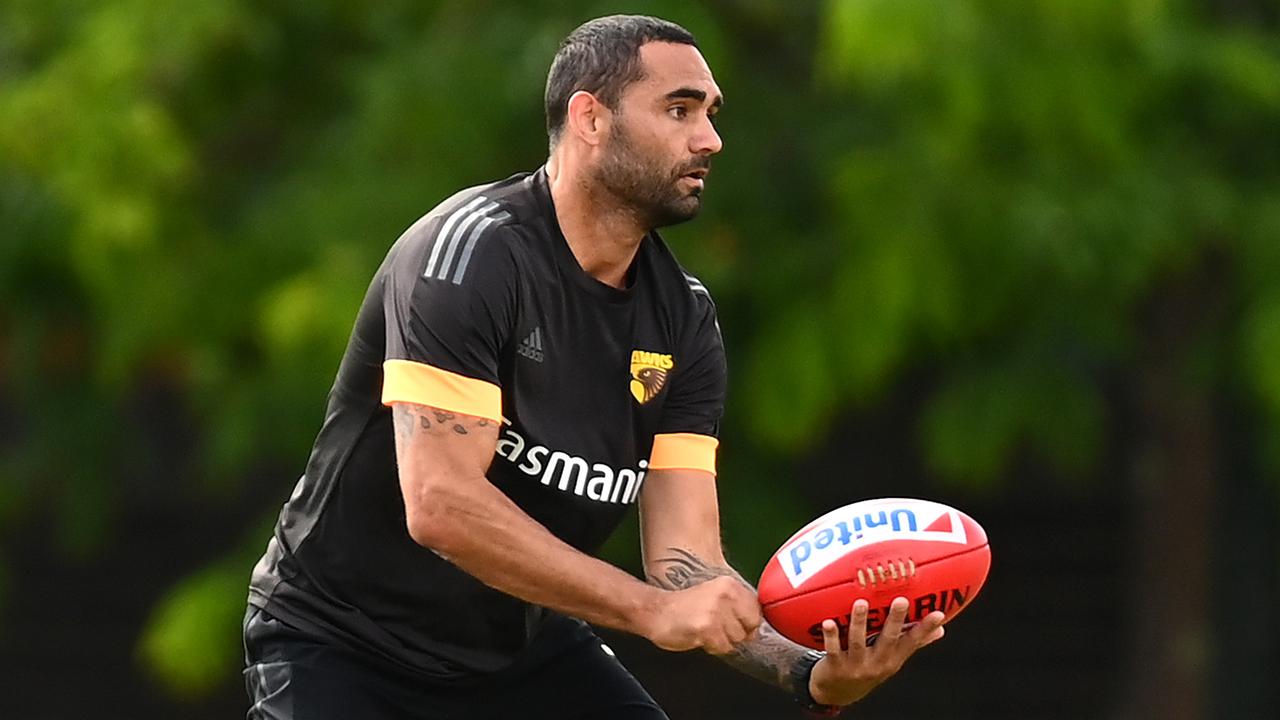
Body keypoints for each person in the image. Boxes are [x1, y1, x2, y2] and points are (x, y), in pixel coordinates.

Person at [244, 14, 945, 719]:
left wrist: (811, 675)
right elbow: (440, 505)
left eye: (710, 113)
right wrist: (646, 611)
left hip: (518, 654)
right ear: (590, 118)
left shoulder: (684, 319)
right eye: (679, 109)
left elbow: (684, 563)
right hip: (342, 647)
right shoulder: (469, 257)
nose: (710, 139)